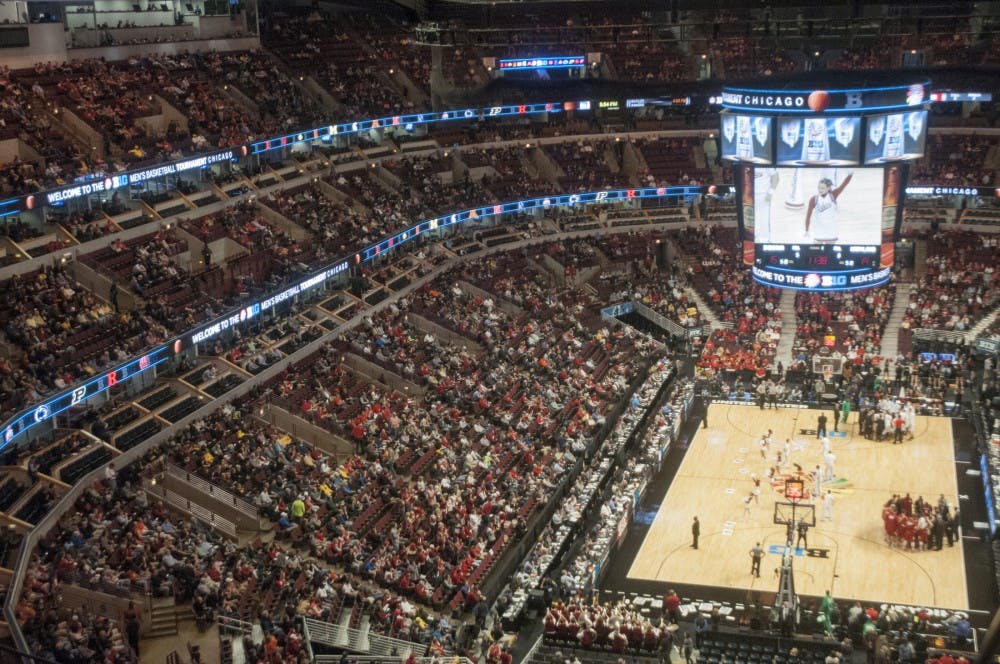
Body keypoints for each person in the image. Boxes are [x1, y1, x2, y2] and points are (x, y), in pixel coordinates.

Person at [804, 172, 853, 243]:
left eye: (822, 188)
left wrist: (850, 174)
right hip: (819, 232)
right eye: (819, 187)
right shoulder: (813, 199)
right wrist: (806, 230)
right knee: (815, 252)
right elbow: (808, 216)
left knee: (831, 253)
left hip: (831, 232)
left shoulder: (833, 195)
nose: (820, 190)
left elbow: (843, 185)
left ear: (828, 188)